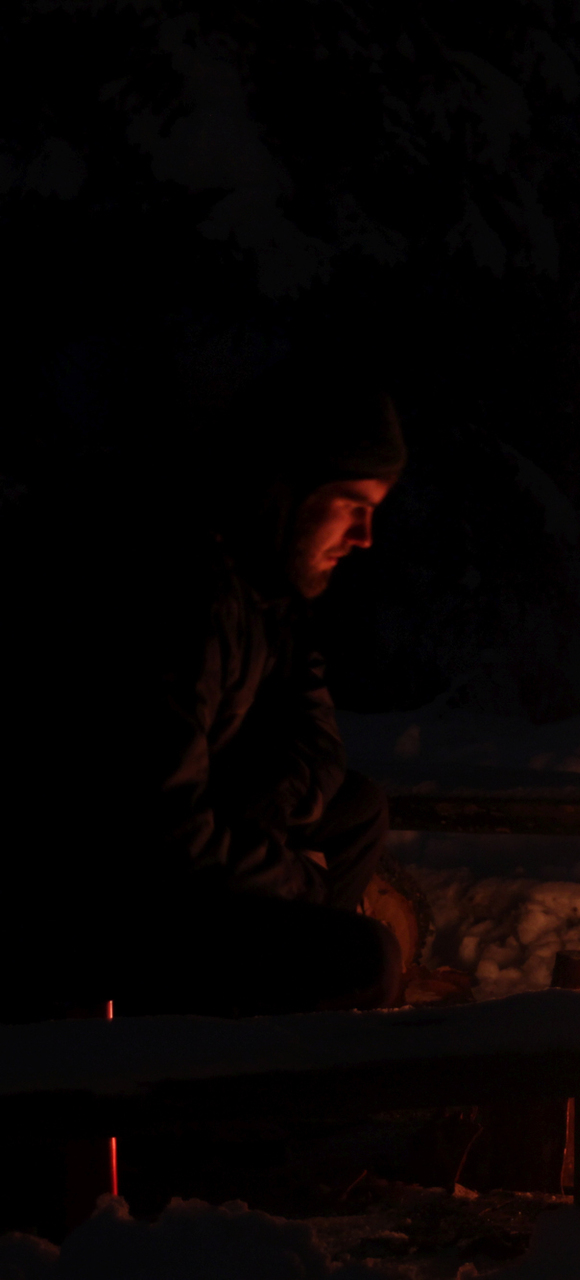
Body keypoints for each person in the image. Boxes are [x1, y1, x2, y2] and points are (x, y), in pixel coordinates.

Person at [1, 356, 408, 1022]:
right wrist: (295, 881)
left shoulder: (270, 584)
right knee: (368, 958)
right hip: (98, 898)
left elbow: (315, 734)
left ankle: (276, 1023)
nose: (363, 538)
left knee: (359, 808)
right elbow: (157, 829)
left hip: (189, 835)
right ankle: (214, 1057)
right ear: (289, 488)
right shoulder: (177, 590)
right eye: (352, 507)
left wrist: (272, 810)